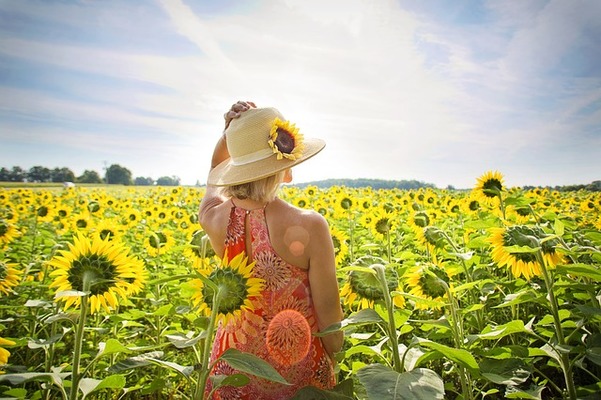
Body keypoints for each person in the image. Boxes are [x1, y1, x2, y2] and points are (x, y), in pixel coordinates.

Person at [198, 101, 344, 399]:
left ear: (235, 168)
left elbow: (213, 176)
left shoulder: (214, 218)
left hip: (232, 369)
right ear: (284, 168)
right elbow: (329, 311)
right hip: (296, 370)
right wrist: (336, 360)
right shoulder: (310, 225)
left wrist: (229, 136)